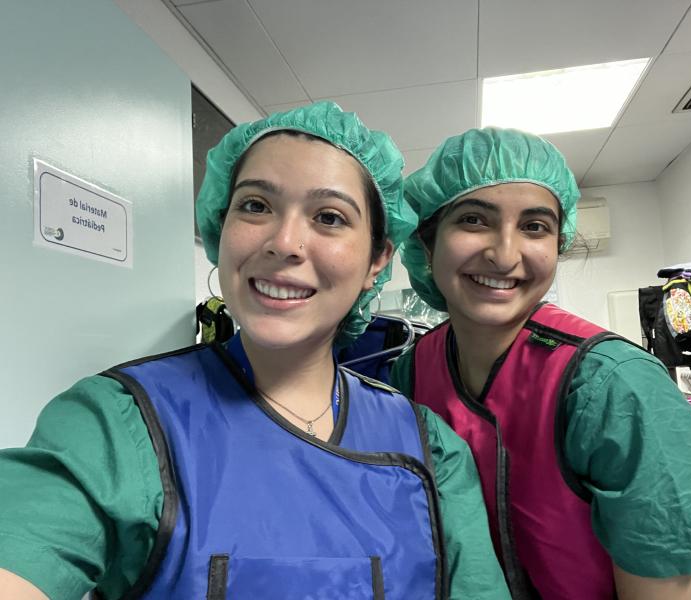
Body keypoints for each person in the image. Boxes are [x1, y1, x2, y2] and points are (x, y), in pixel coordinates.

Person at [0, 102, 511, 600]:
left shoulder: (430, 451)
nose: (285, 241)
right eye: (255, 205)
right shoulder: (120, 424)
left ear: (377, 258)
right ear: (220, 232)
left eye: (329, 217)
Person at [390, 127, 691, 600]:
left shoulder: (616, 387)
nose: (504, 254)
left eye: (534, 227)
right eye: (473, 220)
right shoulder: (411, 373)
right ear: (427, 246)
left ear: (559, 243)